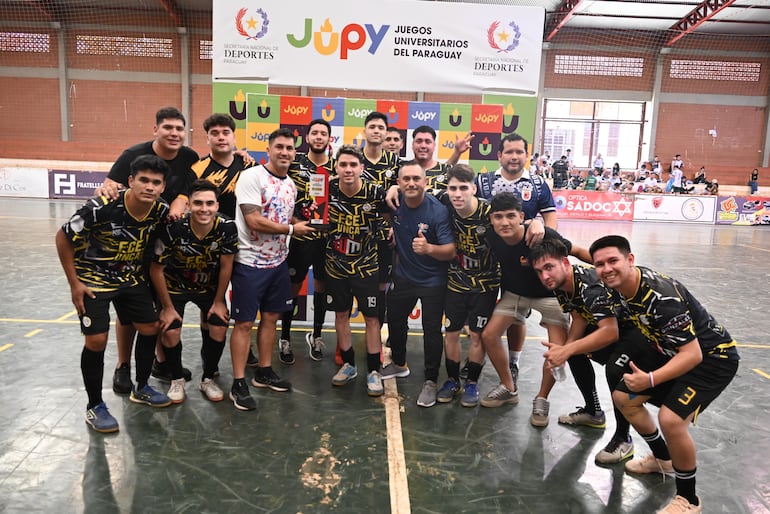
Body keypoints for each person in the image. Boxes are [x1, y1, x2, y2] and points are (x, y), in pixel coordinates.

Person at [589, 235, 739, 513]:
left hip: (712, 359)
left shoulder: (662, 297)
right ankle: (663, 459)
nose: (606, 268)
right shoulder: (616, 286)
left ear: (630, 259)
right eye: (600, 264)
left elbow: (693, 354)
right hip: (671, 352)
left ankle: (688, 499)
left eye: (613, 261)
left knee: (670, 420)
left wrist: (651, 379)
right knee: (623, 396)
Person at [56, 155, 173, 433]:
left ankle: (142, 386)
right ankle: (94, 405)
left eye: (156, 182)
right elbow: (63, 238)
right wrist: (75, 284)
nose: (149, 187)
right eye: (143, 180)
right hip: (93, 280)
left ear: (162, 187)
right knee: (96, 341)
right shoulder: (101, 207)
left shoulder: (160, 210)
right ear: (130, 181)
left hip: (130, 278)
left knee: (150, 328)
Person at [531, 240, 667, 464]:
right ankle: (594, 413)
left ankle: (624, 439)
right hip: (617, 329)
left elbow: (610, 332)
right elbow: (579, 316)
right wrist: (567, 349)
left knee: (615, 369)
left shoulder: (589, 286)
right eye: (539, 271)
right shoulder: (561, 285)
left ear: (565, 263)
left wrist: (567, 349)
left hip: (638, 332)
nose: (545, 276)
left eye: (549, 267)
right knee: (575, 352)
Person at [95, 107, 199, 396]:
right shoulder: (132, 156)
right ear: (156, 130)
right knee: (128, 314)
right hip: (131, 246)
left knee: (154, 308)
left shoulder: (189, 157)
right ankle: (122, 366)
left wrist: (180, 202)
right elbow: (110, 186)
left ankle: (162, 363)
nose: (174, 133)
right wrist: (106, 190)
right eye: (168, 128)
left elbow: (189, 187)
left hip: (162, 243)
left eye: (179, 128)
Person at [479, 193, 591, 429]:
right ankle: (509, 388)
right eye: (498, 217)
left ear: (522, 216)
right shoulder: (490, 235)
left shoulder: (542, 235)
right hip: (514, 294)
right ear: (491, 220)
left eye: (511, 216)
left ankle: (542, 399)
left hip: (550, 297)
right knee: (489, 335)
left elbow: (578, 251)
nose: (505, 222)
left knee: (555, 350)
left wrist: (609, 268)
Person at [228, 127, 315, 410]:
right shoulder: (252, 177)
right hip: (249, 263)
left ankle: (264, 371)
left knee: (271, 318)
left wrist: (308, 221)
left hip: (278, 263)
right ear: (268, 150)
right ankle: (238, 382)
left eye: (290, 149)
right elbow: (253, 220)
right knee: (243, 323)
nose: (285, 153)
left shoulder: (291, 184)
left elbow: (283, 218)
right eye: (279, 147)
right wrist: (292, 228)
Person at [474, 133, 553, 389]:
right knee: (482, 311)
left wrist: (540, 225)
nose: (514, 156)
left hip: (518, 261)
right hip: (486, 259)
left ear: (526, 155)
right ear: (499, 155)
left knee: (516, 317)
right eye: (509, 152)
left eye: (520, 152)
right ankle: (476, 359)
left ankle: (514, 361)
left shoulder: (539, 184)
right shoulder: (482, 181)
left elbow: (550, 220)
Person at [149, 180, 238, 404]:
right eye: (198, 203)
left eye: (210, 203)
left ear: (217, 205)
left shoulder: (227, 226)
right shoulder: (173, 227)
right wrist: (167, 307)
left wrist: (219, 301)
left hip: (208, 288)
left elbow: (227, 266)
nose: (204, 208)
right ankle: (176, 379)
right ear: (188, 205)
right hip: (174, 287)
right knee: (170, 330)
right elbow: (156, 269)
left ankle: (208, 378)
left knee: (218, 325)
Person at [380, 160, 456, 408]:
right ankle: (399, 364)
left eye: (416, 179)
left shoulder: (438, 212)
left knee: (431, 331)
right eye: (406, 179)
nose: (411, 183)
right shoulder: (394, 202)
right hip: (404, 276)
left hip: (434, 280)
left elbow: (451, 251)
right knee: (395, 318)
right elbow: (379, 210)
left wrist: (429, 248)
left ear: (425, 181)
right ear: (399, 183)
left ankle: (431, 380)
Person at [187, 112, 259, 370]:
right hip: (209, 247)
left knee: (243, 297)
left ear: (234, 137)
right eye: (214, 133)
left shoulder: (250, 166)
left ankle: (245, 348)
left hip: (245, 243)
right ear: (207, 138)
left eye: (225, 132)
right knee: (209, 301)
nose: (220, 137)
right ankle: (211, 361)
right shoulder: (197, 169)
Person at [325, 145, 390, 395]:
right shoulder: (326, 189)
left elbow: (387, 223)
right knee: (341, 315)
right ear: (337, 167)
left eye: (353, 165)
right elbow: (315, 217)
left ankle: (374, 370)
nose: (348, 169)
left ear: (362, 168)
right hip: (335, 266)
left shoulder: (375, 192)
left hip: (366, 267)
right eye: (343, 164)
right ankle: (349, 365)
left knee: (372, 318)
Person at [437, 165, 500, 407]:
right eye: (453, 188)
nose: (457, 194)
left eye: (463, 188)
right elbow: (418, 191)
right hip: (456, 281)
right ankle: (453, 380)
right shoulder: (444, 205)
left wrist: (536, 224)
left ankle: (472, 383)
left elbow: (517, 220)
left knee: (476, 334)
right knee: (451, 333)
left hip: (486, 283)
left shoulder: (490, 211)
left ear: (473, 188)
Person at [281, 119, 335, 365]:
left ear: (329, 139)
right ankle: (285, 338)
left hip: (326, 240)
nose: (319, 137)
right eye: (315, 133)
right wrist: (292, 220)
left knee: (322, 289)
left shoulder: (337, 167)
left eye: (324, 133)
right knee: (292, 288)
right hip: (300, 237)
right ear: (307, 137)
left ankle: (317, 335)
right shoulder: (294, 165)